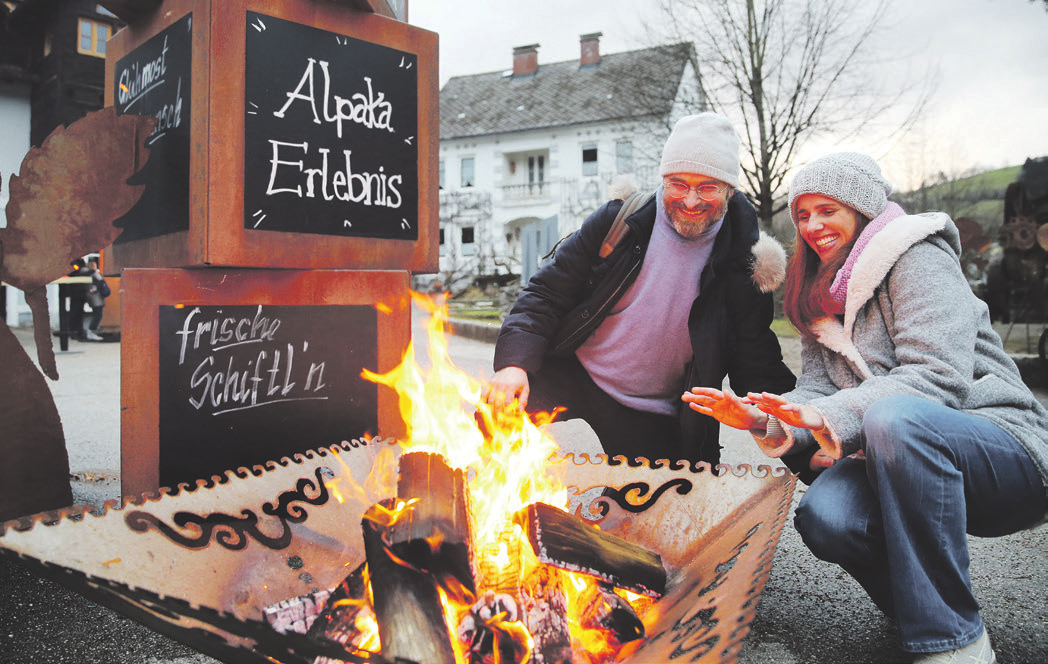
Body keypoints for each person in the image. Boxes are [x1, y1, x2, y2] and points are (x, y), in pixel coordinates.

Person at [682, 152, 1048, 663]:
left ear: (860, 207)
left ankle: (955, 643)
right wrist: (761, 416)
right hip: (899, 453)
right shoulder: (818, 290)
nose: (812, 226)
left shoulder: (917, 256)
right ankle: (926, 612)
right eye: (803, 215)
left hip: (1001, 446)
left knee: (892, 416)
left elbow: (936, 377)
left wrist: (834, 415)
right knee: (828, 515)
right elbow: (815, 389)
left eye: (826, 210)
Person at [482, 112, 796, 466]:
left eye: (707, 187)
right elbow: (545, 294)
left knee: (648, 513)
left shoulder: (746, 261)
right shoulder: (620, 222)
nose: (690, 200)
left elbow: (757, 363)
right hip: (575, 370)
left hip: (649, 407)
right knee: (493, 415)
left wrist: (806, 441)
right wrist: (513, 364)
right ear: (664, 179)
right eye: (678, 183)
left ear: (729, 189)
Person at [83, 258, 109, 341]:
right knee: (98, 314)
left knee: (97, 314)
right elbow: (99, 284)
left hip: (94, 297)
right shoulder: (93, 275)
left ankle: (91, 331)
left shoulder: (86, 274)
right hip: (95, 297)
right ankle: (91, 331)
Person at [66, 258, 92, 341]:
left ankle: (77, 331)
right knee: (75, 313)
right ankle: (75, 331)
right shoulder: (75, 263)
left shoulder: (76, 262)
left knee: (78, 313)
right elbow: (74, 274)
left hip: (79, 293)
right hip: (77, 293)